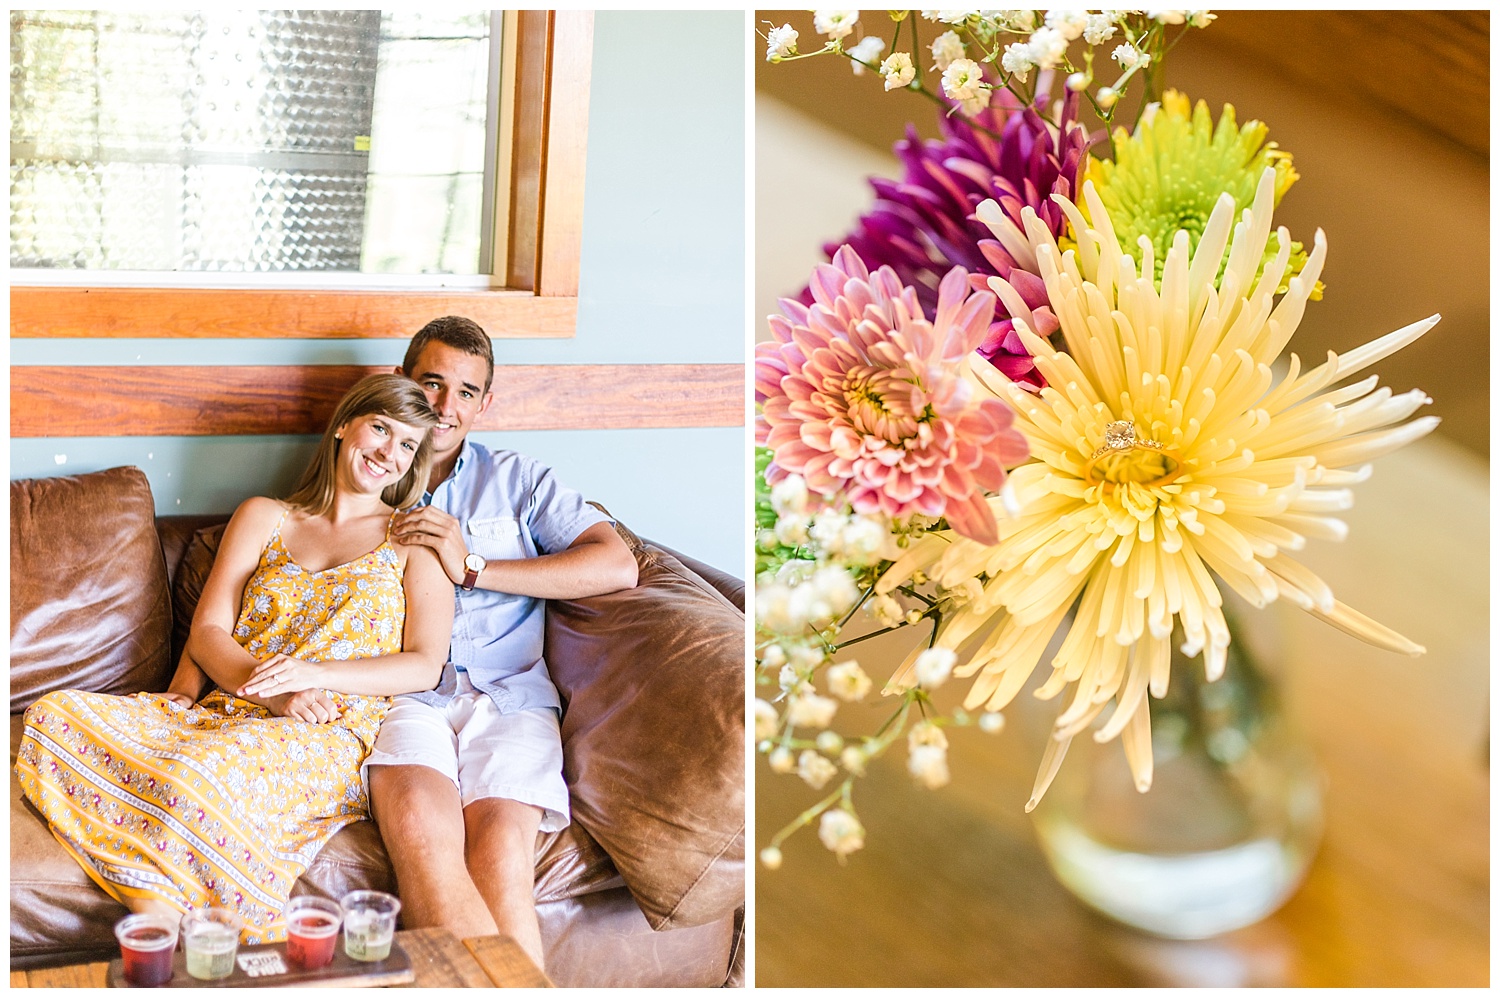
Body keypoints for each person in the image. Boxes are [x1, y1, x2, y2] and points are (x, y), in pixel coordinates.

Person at [14, 374, 454, 942]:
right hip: (238, 702)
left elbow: (424, 663)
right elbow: (209, 631)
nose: (388, 453)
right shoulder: (266, 516)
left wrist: (309, 678)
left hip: (325, 724)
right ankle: (171, 931)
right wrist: (267, 689)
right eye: (380, 428)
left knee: (196, 777)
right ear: (345, 426)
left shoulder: (412, 538)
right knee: (53, 714)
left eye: (407, 445)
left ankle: (163, 936)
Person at [364, 316, 638, 971]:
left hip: (510, 696)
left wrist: (476, 568)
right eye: (431, 383)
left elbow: (616, 565)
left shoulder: (519, 481)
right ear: (404, 381)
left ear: (485, 403)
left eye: (465, 392)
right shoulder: (370, 465)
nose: (443, 406)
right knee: (426, 845)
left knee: (500, 854)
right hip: (407, 694)